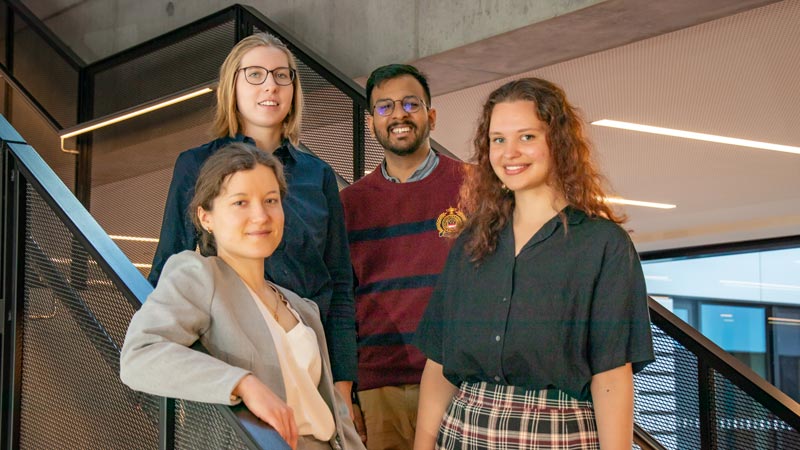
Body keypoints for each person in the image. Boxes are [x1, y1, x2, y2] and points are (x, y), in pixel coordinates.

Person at [413, 78, 655, 450]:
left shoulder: (602, 245)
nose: (510, 153)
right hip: (463, 429)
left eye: (526, 137)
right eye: (498, 139)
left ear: (557, 142)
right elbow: (440, 365)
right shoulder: (472, 241)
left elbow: (611, 377)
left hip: (557, 434)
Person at [148, 33, 356, 407]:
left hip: (307, 355)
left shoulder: (317, 174)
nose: (271, 86)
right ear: (232, 86)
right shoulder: (196, 165)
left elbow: (338, 282)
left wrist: (341, 384)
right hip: (230, 358)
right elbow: (167, 266)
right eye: (255, 74)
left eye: (282, 75)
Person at [121, 143, 364, 450]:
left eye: (271, 200)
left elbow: (336, 417)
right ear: (206, 217)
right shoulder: (199, 276)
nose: (261, 215)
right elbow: (139, 355)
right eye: (240, 202)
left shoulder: (303, 307)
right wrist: (242, 383)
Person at [340, 64, 466, 450]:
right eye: (385, 107)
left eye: (411, 104)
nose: (399, 114)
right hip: (380, 389)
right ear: (371, 121)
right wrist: (348, 392)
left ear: (431, 115)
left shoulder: (475, 188)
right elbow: (342, 303)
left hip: (459, 382)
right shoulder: (348, 205)